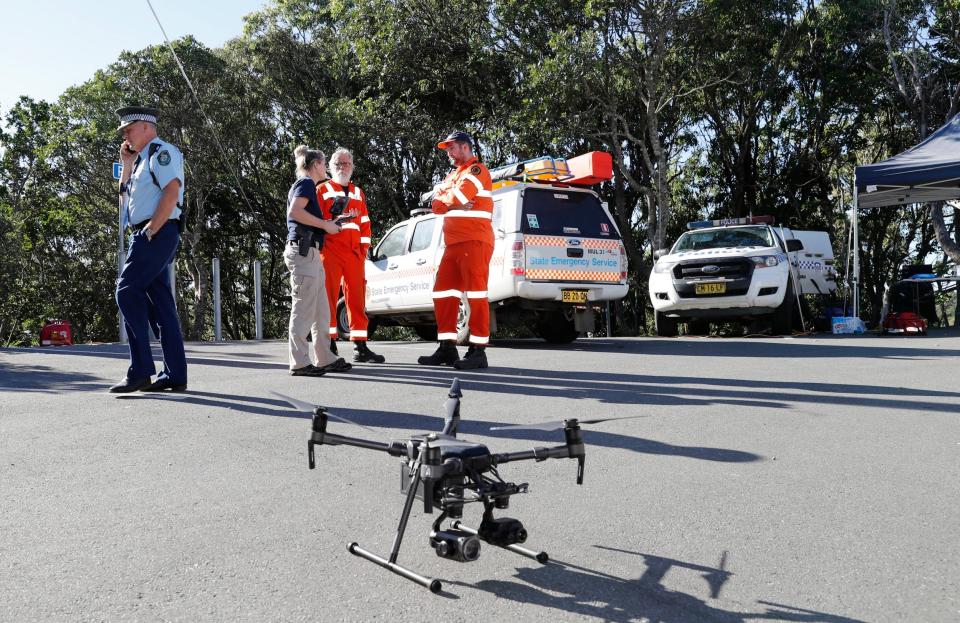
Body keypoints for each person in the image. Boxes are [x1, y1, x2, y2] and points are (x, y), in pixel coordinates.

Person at [109, 106, 188, 393]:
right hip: (146, 232)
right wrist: (126, 165)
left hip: (155, 232)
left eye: (128, 129)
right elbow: (124, 205)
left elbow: (171, 191)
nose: (125, 135)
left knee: (126, 291)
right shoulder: (140, 161)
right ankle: (175, 374)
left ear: (145, 126)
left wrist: (151, 230)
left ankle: (140, 369)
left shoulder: (161, 153)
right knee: (160, 303)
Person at [417, 131, 494, 370]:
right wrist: (446, 200)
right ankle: (447, 347)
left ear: (464, 147)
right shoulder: (453, 175)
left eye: (451, 148)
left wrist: (446, 199)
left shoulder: (476, 170)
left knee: (476, 295)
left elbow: (459, 195)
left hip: (475, 241)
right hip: (453, 244)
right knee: (443, 293)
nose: (448, 153)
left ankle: (478, 351)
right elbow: (439, 201)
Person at [284, 145, 354, 376]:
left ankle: (324, 357)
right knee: (304, 308)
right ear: (315, 165)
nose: (327, 168)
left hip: (311, 253)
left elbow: (304, 218)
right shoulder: (305, 183)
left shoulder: (308, 186)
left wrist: (333, 222)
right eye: (324, 163)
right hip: (304, 253)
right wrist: (326, 225)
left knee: (321, 310)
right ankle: (300, 362)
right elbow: (295, 212)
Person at [317, 148, 385, 363]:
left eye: (346, 163)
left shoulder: (358, 192)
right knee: (328, 298)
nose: (342, 167)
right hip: (330, 250)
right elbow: (317, 220)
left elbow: (365, 223)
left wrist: (364, 249)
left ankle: (360, 346)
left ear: (352, 167)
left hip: (354, 253)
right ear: (330, 166)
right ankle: (329, 344)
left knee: (356, 299)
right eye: (337, 163)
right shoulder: (322, 189)